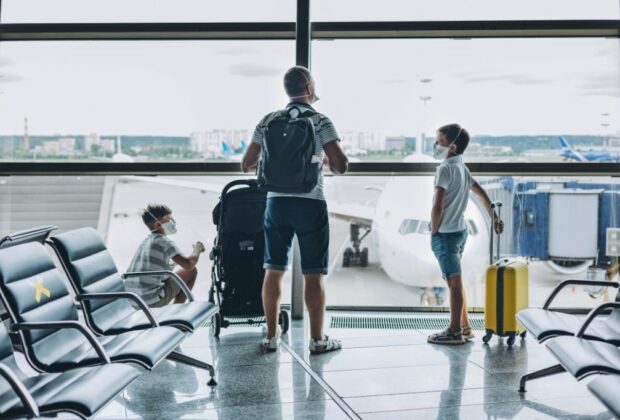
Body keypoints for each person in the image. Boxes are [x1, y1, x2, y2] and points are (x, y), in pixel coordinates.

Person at [241, 66, 349, 354]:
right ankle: (317, 340)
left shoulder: (267, 121)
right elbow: (340, 165)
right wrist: (319, 160)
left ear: (286, 91)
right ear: (310, 89)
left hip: (276, 202)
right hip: (310, 202)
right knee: (314, 275)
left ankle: (272, 337)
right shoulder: (321, 120)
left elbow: (246, 163)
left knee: (273, 270)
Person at [428, 123, 504, 345]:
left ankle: (454, 331)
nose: (435, 146)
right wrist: (494, 216)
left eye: (439, 141)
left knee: (453, 283)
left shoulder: (445, 169)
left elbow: (437, 206)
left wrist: (434, 231)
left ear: (452, 147)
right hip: (461, 232)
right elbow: (479, 190)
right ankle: (464, 325)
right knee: (456, 281)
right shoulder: (461, 166)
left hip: (447, 234)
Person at [125, 204, 206, 308]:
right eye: (170, 220)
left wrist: (173, 263)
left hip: (134, 301)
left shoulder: (147, 241)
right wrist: (197, 250)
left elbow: (154, 267)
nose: (174, 223)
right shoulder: (165, 242)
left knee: (172, 276)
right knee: (191, 271)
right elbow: (189, 264)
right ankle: (175, 313)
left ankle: (173, 312)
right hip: (151, 302)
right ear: (158, 225)